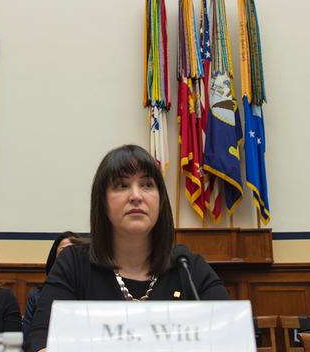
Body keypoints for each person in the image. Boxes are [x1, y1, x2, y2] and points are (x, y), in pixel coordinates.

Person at [27, 144, 229, 352]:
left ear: (160, 201)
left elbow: (229, 338)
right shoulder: (74, 264)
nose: (136, 196)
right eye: (122, 185)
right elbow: (43, 341)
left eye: (147, 185)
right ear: (102, 202)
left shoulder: (188, 268)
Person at [21, 231, 80, 339]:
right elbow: (27, 337)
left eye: (74, 251)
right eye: (64, 251)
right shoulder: (36, 296)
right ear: (55, 258)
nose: (69, 256)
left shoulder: (90, 292)